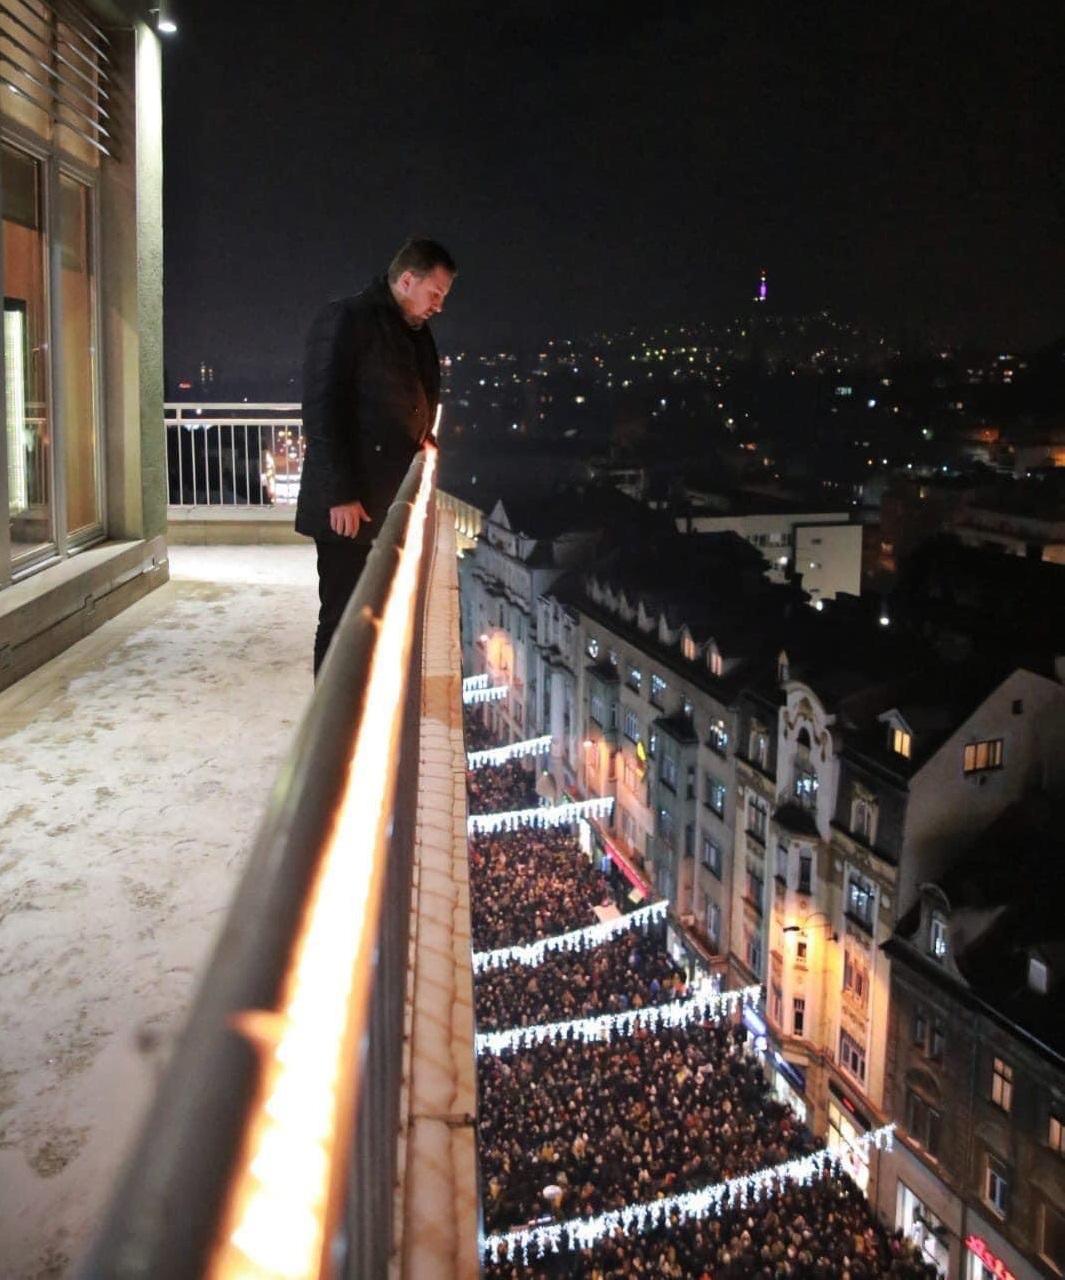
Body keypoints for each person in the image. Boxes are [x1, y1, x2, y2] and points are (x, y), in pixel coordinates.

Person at [295, 237, 457, 674]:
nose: (439, 305)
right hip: (349, 505)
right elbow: (322, 410)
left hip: (382, 500)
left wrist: (424, 438)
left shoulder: (413, 330)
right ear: (407, 280)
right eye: (435, 293)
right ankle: (331, 735)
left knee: (369, 615)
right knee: (341, 619)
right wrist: (340, 494)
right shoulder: (346, 319)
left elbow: (413, 397)